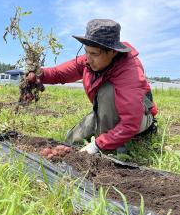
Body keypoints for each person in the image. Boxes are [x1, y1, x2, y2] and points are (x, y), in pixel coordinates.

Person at [27, 19, 158, 154]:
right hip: (107, 112)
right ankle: (104, 139)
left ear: (113, 52)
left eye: (94, 54)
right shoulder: (88, 61)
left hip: (139, 118)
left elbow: (131, 122)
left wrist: (98, 145)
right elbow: (59, 73)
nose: (88, 59)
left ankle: (112, 150)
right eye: (86, 52)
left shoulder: (130, 71)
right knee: (72, 141)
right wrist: (39, 74)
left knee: (107, 91)